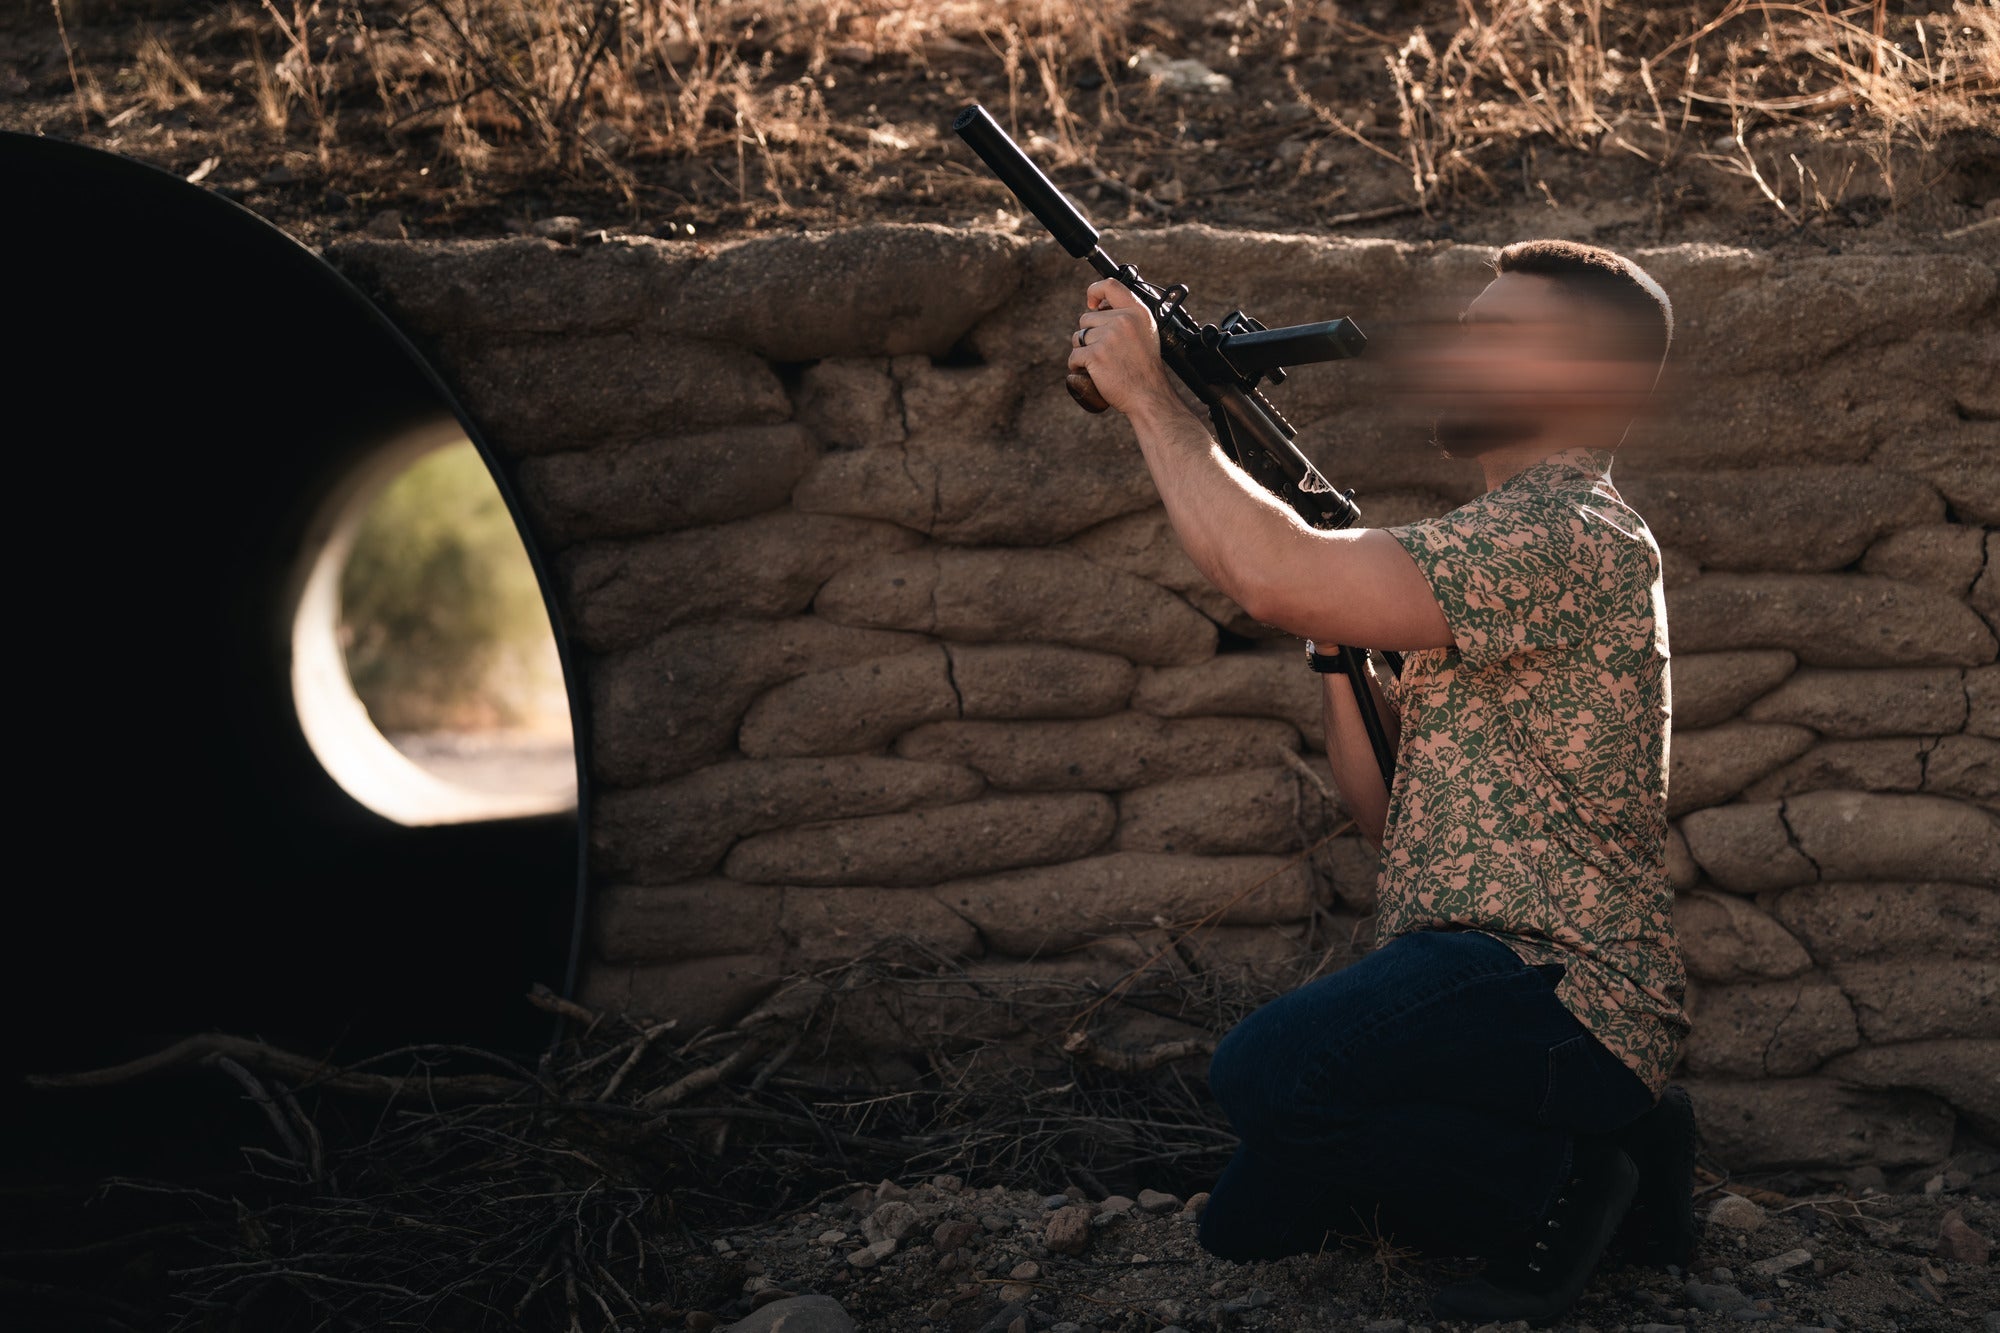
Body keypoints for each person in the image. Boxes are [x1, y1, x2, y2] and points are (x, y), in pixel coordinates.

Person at [1066, 239, 1696, 1325]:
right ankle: (1629, 1148)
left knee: (1268, 1074)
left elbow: (1270, 575)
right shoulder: (1481, 546)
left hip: (1550, 981)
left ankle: (1567, 1182)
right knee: (1248, 1227)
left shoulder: (1567, 531)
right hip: (1462, 975)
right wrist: (1333, 638)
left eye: (1499, 337)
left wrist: (1151, 400)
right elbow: (1385, 817)